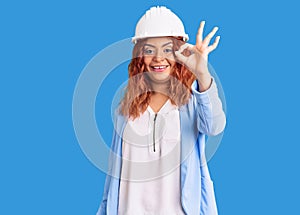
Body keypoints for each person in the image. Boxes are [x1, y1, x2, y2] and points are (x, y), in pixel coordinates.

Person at [96, 6, 226, 215]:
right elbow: (112, 179)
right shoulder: (125, 110)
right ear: (139, 56)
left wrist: (202, 73)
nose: (158, 58)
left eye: (167, 49)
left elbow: (214, 126)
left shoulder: (193, 102)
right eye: (149, 50)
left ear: (180, 55)